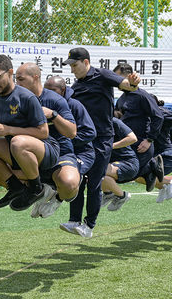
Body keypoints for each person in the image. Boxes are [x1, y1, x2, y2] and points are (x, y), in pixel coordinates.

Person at [62, 48, 140, 239]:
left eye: (74, 65)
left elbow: (125, 84)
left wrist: (133, 84)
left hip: (103, 139)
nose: (72, 69)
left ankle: (89, 225)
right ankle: (74, 220)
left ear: (86, 62)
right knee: (78, 178)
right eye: (70, 66)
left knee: (94, 182)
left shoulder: (102, 74)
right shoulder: (76, 86)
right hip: (83, 139)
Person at [0, 55, 58, 212]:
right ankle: (15, 186)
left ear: (10, 73)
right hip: (16, 151)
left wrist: (9, 130)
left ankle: (36, 189)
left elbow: (43, 132)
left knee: (17, 142)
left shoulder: (26, 97)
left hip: (45, 150)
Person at [14, 63, 80, 219]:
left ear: (35, 77)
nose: (17, 83)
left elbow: (72, 132)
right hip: (33, 155)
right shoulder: (14, 100)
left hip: (60, 153)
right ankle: (41, 191)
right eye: (15, 79)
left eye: (21, 79)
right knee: (0, 176)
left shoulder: (54, 100)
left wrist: (54, 115)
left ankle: (56, 199)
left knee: (69, 183)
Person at [43, 76, 97, 229]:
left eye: (53, 91)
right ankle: (71, 218)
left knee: (73, 177)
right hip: (60, 152)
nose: (49, 94)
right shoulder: (44, 104)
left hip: (82, 153)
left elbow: (90, 132)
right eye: (46, 90)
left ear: (63, 90)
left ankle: (57, 199)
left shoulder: (74, 105)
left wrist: (66, 140)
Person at [114, 62, 165, 192]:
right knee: (121, 172)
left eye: (118, 77)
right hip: (128, 143)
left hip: (142, 144)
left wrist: (149, 140)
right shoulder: (121, 98)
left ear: (130, 76)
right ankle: (148, 172)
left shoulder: (142, 95)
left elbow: (158, 116)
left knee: (127, 174)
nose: (116, 81)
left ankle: (151, 165)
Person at [100, 117, 139, 212]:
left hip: (128, 163)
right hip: (112, 164)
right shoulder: (91, 122)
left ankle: (122, 196)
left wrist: (111, 146)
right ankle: (108, 193)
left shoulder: (114, 121)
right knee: (98, 173)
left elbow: (133, 138)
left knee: (99, 171)